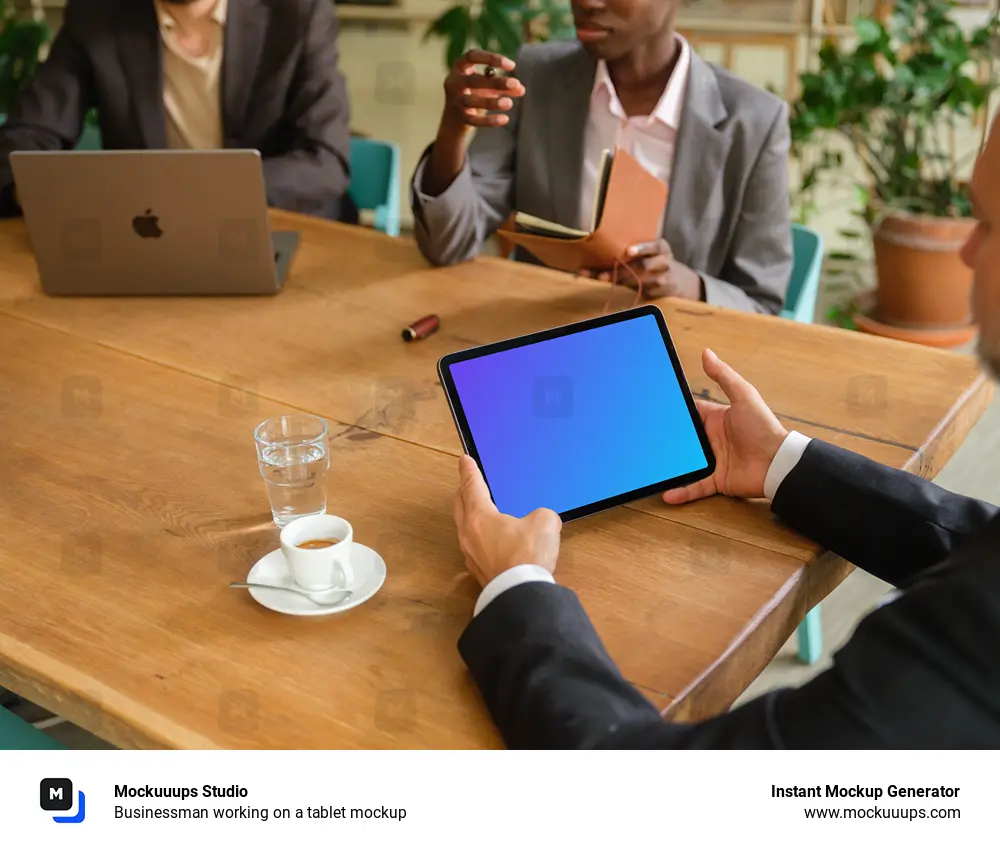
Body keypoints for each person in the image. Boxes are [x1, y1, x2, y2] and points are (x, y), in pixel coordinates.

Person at [449, 118, 1000, 749]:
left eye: (984, 223)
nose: (961, 251)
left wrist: (515, 585)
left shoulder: (959, 643)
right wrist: (780, 462)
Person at [410, 0, 792, 314]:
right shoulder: (535, 78)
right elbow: (448, 244)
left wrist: (689, 284)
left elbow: (763, 304)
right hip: (540, 336)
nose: (586, 3)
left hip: (675, 358)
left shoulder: (754, 122)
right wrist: (452, 132)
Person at [0, 0, 356, 222]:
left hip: (271, 226)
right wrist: (36, 190)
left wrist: (195, 193)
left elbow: (325, 160)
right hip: (145, 236)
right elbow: (27, 137)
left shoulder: (298, 12)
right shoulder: (97, 15)